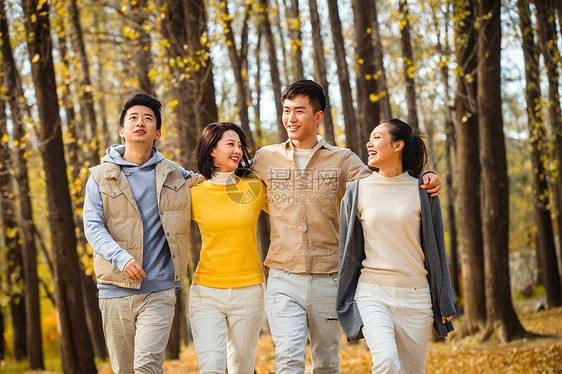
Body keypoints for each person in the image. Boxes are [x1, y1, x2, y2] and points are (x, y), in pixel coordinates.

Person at [250, 80, 442, 373]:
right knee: (288, 359)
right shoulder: (265, 158)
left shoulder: (343, 160)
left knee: (327, 362)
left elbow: (387, 182)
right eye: (286, 110)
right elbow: (230, 177)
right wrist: (192, 177)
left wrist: (424, 175)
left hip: (329, 278)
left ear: (317, 116)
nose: (290, 118)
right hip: (282, 277)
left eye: (299, 111)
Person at [83, 94, 193, 374]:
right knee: (124, 370)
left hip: (160, 288)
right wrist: (121, 258)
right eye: (133, 118)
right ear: (122, 130)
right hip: (114, 289)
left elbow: (204, 183)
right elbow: (92, 225)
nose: (139, 123)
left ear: (158, 132)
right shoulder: (99, 176)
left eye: (148, 118)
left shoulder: (173, 174)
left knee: (147, 367)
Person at [336, 119, 455, 373]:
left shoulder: (424, 190)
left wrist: (444, 299)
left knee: (413, 370)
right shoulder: (356, 191)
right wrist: (343, 297)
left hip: (416, 296)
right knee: (387, 362)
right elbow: (346, 252)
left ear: (398, 145)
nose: (369, 143)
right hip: (373, 293)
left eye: (377, 137)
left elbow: (437, 250)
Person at [189, 122, 268, 373]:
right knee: (211, 367)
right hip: (206, 292)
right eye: (230, 144)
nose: (238, 150)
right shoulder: (193, 192)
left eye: (239, 145)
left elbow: (288, 215)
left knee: (241, 368)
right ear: (212, 150)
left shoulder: (254, 187)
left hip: (250, 292)